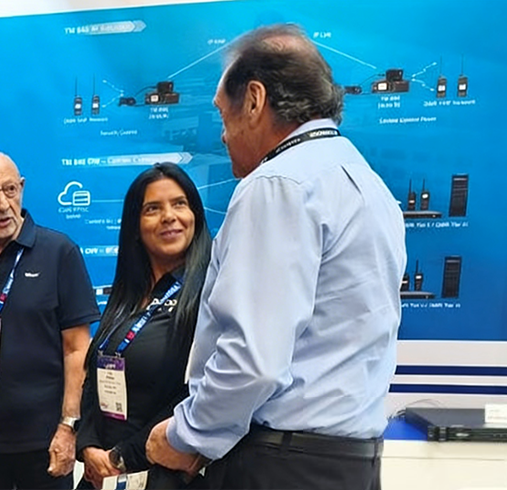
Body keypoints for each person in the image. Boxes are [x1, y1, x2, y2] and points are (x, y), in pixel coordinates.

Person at [144, 24, 406, 490]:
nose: (223, 136)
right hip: (351, 463)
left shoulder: (277, 184)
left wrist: (186, 436)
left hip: (279, 462)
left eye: (223, 115)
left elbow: (253, 360)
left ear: (254, 100)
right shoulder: (369, 185)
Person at [0, 151, 100, 489]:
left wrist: (68, 426)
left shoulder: (59, 251)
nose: (3, 205)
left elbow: (77, 348)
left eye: (10, 190)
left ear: (22, 187)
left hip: (42, 442)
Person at [74, 163, 210, 489]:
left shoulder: (211, 292)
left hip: (160, 471)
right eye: (153, 208)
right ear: (135, 225)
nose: (169, 216)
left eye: (179, 204)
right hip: (103, 471)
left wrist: (121, 457)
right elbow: (96, 372)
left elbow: (196, 393)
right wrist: (88, 445)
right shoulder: (130, 293)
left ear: (195, 215)